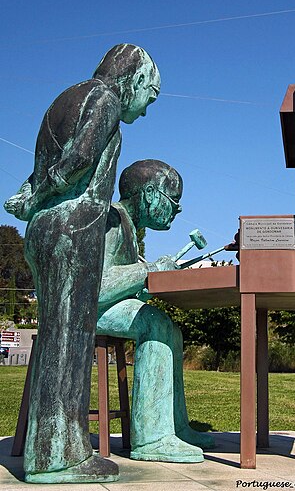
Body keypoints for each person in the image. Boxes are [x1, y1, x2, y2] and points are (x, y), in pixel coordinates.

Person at [4, 44, 161, 484]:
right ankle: (57, 456)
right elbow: (78, 160)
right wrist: (39, 194)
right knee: (69, 340)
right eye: (150, 93)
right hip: (76, 226)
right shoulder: (106, 99)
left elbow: (46, 163)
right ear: (132, 78)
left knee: (62, 338)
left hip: (46, 227)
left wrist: (30, 197)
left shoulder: (66, 97)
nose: (146, 108)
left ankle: (59, 445)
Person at [96, 159, 215, 462]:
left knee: (169, 329)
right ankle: (151, 438)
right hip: (83, 312)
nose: (178, 209)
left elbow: (123, 280)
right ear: (149, 194)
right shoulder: (111, 220)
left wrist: (144, 282)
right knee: (156, 324)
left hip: (102, 308)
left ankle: (175, 426)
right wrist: (149, 270)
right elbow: (98, 285)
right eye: (173, 200)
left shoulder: (129, 228)